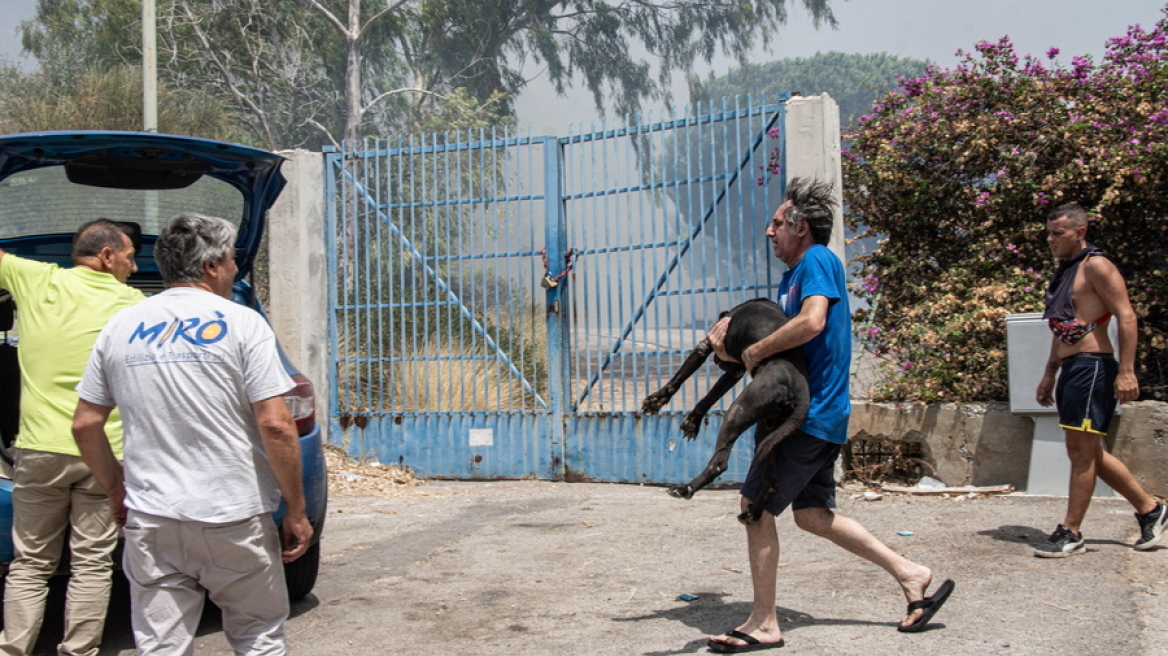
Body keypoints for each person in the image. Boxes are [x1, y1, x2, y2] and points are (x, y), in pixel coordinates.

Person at [705, 178, 953, 652]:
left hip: (809, 415)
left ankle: (764, 623)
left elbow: (813, 321)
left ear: (800, 228)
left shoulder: (816, 260)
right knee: (814, 515)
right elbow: (790, 350)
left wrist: (753, 349)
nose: (769, 231)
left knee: (753, 508)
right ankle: (911, 574)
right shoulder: (793, 275)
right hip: (820, 413)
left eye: (777, 223)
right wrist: (731, 350)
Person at [71, 212, 313, 655]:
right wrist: (296, 510)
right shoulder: (242, 324)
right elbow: (276, 424)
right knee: (258, 635)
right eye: (233, 259)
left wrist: (115, 489)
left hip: (153, 518)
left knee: (161, 645)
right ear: (211, 265)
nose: (236, 268)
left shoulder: (120, 328)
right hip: (232, 516)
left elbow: (86, 424)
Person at [0, 219, 144, 656]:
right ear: (106, 256)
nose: (134, 268)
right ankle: (79, 651)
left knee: (29, 564)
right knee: (92, 562)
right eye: (130, 256)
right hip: (103, 453)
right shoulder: (135, 305)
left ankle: (12, 651)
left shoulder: (34, 279)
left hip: (39, 449)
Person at [1033, 202, 1167, 558]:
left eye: (1057, 233)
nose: (1050, 239)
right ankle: (1150, 509)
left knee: (1081, 452)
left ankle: (1071, 531)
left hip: (1093, 367)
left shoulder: (1097, 266)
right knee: (1089, 450)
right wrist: (1049, 373)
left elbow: (1127, 316)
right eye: (1048, 233)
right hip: (1072, 368)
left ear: (1080, 231)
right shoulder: (1066, 272)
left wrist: (1126, 370)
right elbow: (1062, 327)